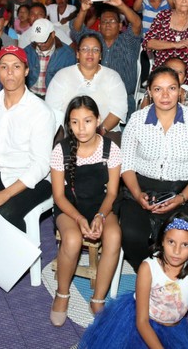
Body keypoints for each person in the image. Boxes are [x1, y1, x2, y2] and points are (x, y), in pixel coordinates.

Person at [117, 66, 188, 272]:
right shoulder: (137, 120)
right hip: (142, 190)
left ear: (180, 91)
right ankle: (148, 273)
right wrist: (138, 195)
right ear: (149, 92)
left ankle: (172, 276)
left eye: (171, 88)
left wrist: (181, 198)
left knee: (178, 239)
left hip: (184, 192)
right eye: (158, 89)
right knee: (131, 235)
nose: (165, 95)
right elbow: (126, 165)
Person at [79, 213, 188, 348]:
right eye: (171, 242)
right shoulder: (148, 268)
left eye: (185, 244)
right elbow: (142, 322)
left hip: (174, 325)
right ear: (162, 241)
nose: (176, 251)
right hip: (143, 323)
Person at [50, 96, 122, 324]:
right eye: (75, 122)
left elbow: (112, 193)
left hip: (102, 205)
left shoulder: (110, 149)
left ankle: (98, 298)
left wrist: (100, 216)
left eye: (87, 121)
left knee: (114, 236)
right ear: (68, 124)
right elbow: (59, 196)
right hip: (70, 208)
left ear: (98, 120)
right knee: (71, 240)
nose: (81, 128)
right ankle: (62, 293)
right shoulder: (61, 150)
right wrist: (80, 218)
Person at [0, 45, 56, 231]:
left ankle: (18, 248)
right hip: (2, 171)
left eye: (16, 66)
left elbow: (41, 165)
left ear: (26, 71)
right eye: (4, 67)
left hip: (35, 180)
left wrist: (5, 194)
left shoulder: (40, 111)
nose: (9, 72)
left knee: (3, 214)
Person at [45, 34, 127, 132]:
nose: (90, 53)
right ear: (77, 54)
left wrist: (99, 132)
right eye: (85, 49)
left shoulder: (112, 77)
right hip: (68, 132)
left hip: (105, 132)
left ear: (100, 56)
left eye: (95, 50)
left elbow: (119, 110)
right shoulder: (62, 76)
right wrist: (73, 133)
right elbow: (52, 109)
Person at [25, 18, 76, 98]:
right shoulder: (27, 51)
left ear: (52, 34)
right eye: (37, 40)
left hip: (54, 96)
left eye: (43, 41)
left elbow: (71, 83)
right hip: (30, 95)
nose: (40, 44)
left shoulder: (67, 55)